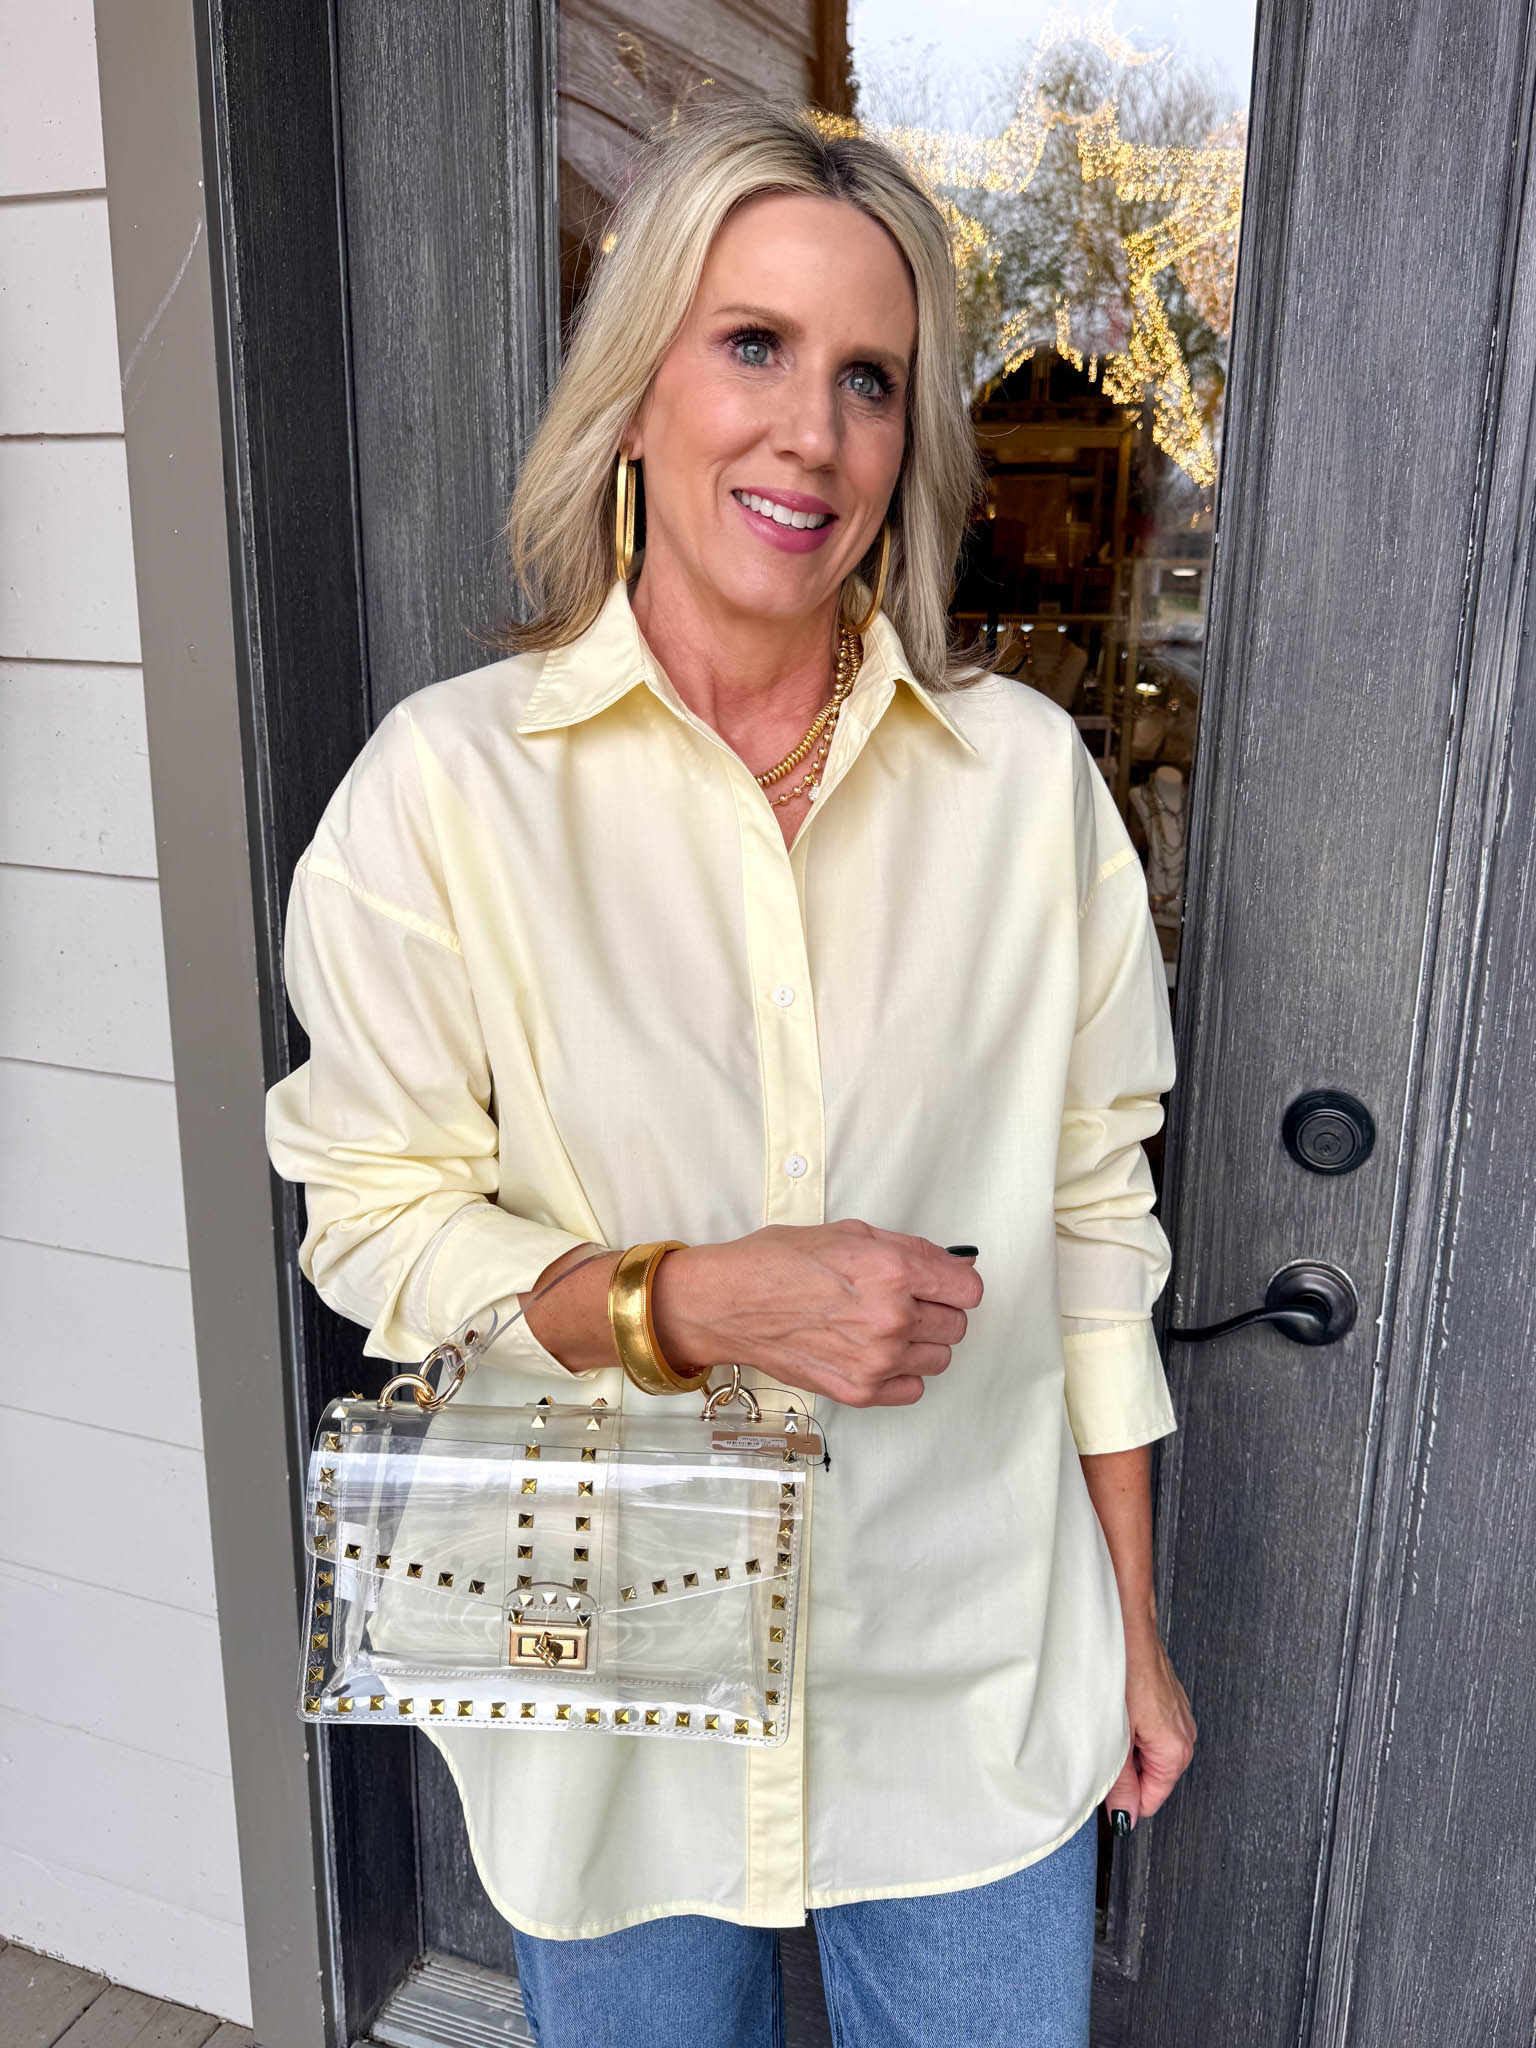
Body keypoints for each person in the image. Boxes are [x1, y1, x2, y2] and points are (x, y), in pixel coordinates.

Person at [265, 97, 1195, 2048]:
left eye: (871, 377)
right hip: (606, 1682)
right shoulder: (446, 795)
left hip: (971, 1680)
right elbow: (373, 1212)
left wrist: (1134, 1622)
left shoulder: (1024, 790)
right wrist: (686, 1301)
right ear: (634, 391)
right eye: (752, 344)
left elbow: (1094, 1222)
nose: (812, 433)